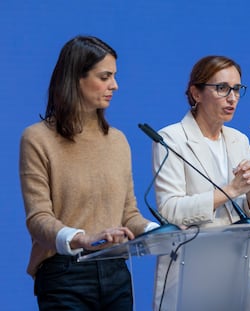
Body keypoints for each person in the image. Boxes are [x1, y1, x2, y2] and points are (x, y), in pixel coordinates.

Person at [19, 35, 158, 310]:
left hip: (116, 272)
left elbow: (128, 214)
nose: (115, 86)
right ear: (75, 79)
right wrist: (82, 238)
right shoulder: (37, 139)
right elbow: (38, 218)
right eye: (105, 77)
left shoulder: (118, 140)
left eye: (114, 76)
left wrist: (159, 231)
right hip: (64, 275)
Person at [151, 55, 250, 310]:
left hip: (235, 263)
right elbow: (170, 209)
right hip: (191, 265)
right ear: (196, 93)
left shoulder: (239, 140)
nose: (232, 98)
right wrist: (231, 190)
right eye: (222, 88)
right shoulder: (171, 139)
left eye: (237, 89)